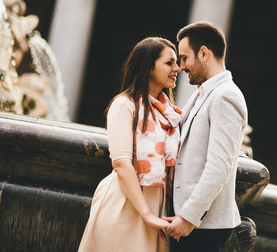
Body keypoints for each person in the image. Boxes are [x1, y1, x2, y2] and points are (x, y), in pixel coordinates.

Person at [79, 37, 182, 252]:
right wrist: (147, 215)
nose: (177, 68)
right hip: (126, 206)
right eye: (169, 62)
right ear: (148, 66)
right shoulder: (124, 105)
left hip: (157, 208)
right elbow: (121, 164)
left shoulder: (170, 114)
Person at [165, 21, 248, 252]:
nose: (181, 66)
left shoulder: (226, 96)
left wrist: (189, 217)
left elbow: (219, 166)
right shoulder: (203, 93)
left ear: (203, 53)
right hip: (192, 220)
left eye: (184, 58)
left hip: (202, 225)